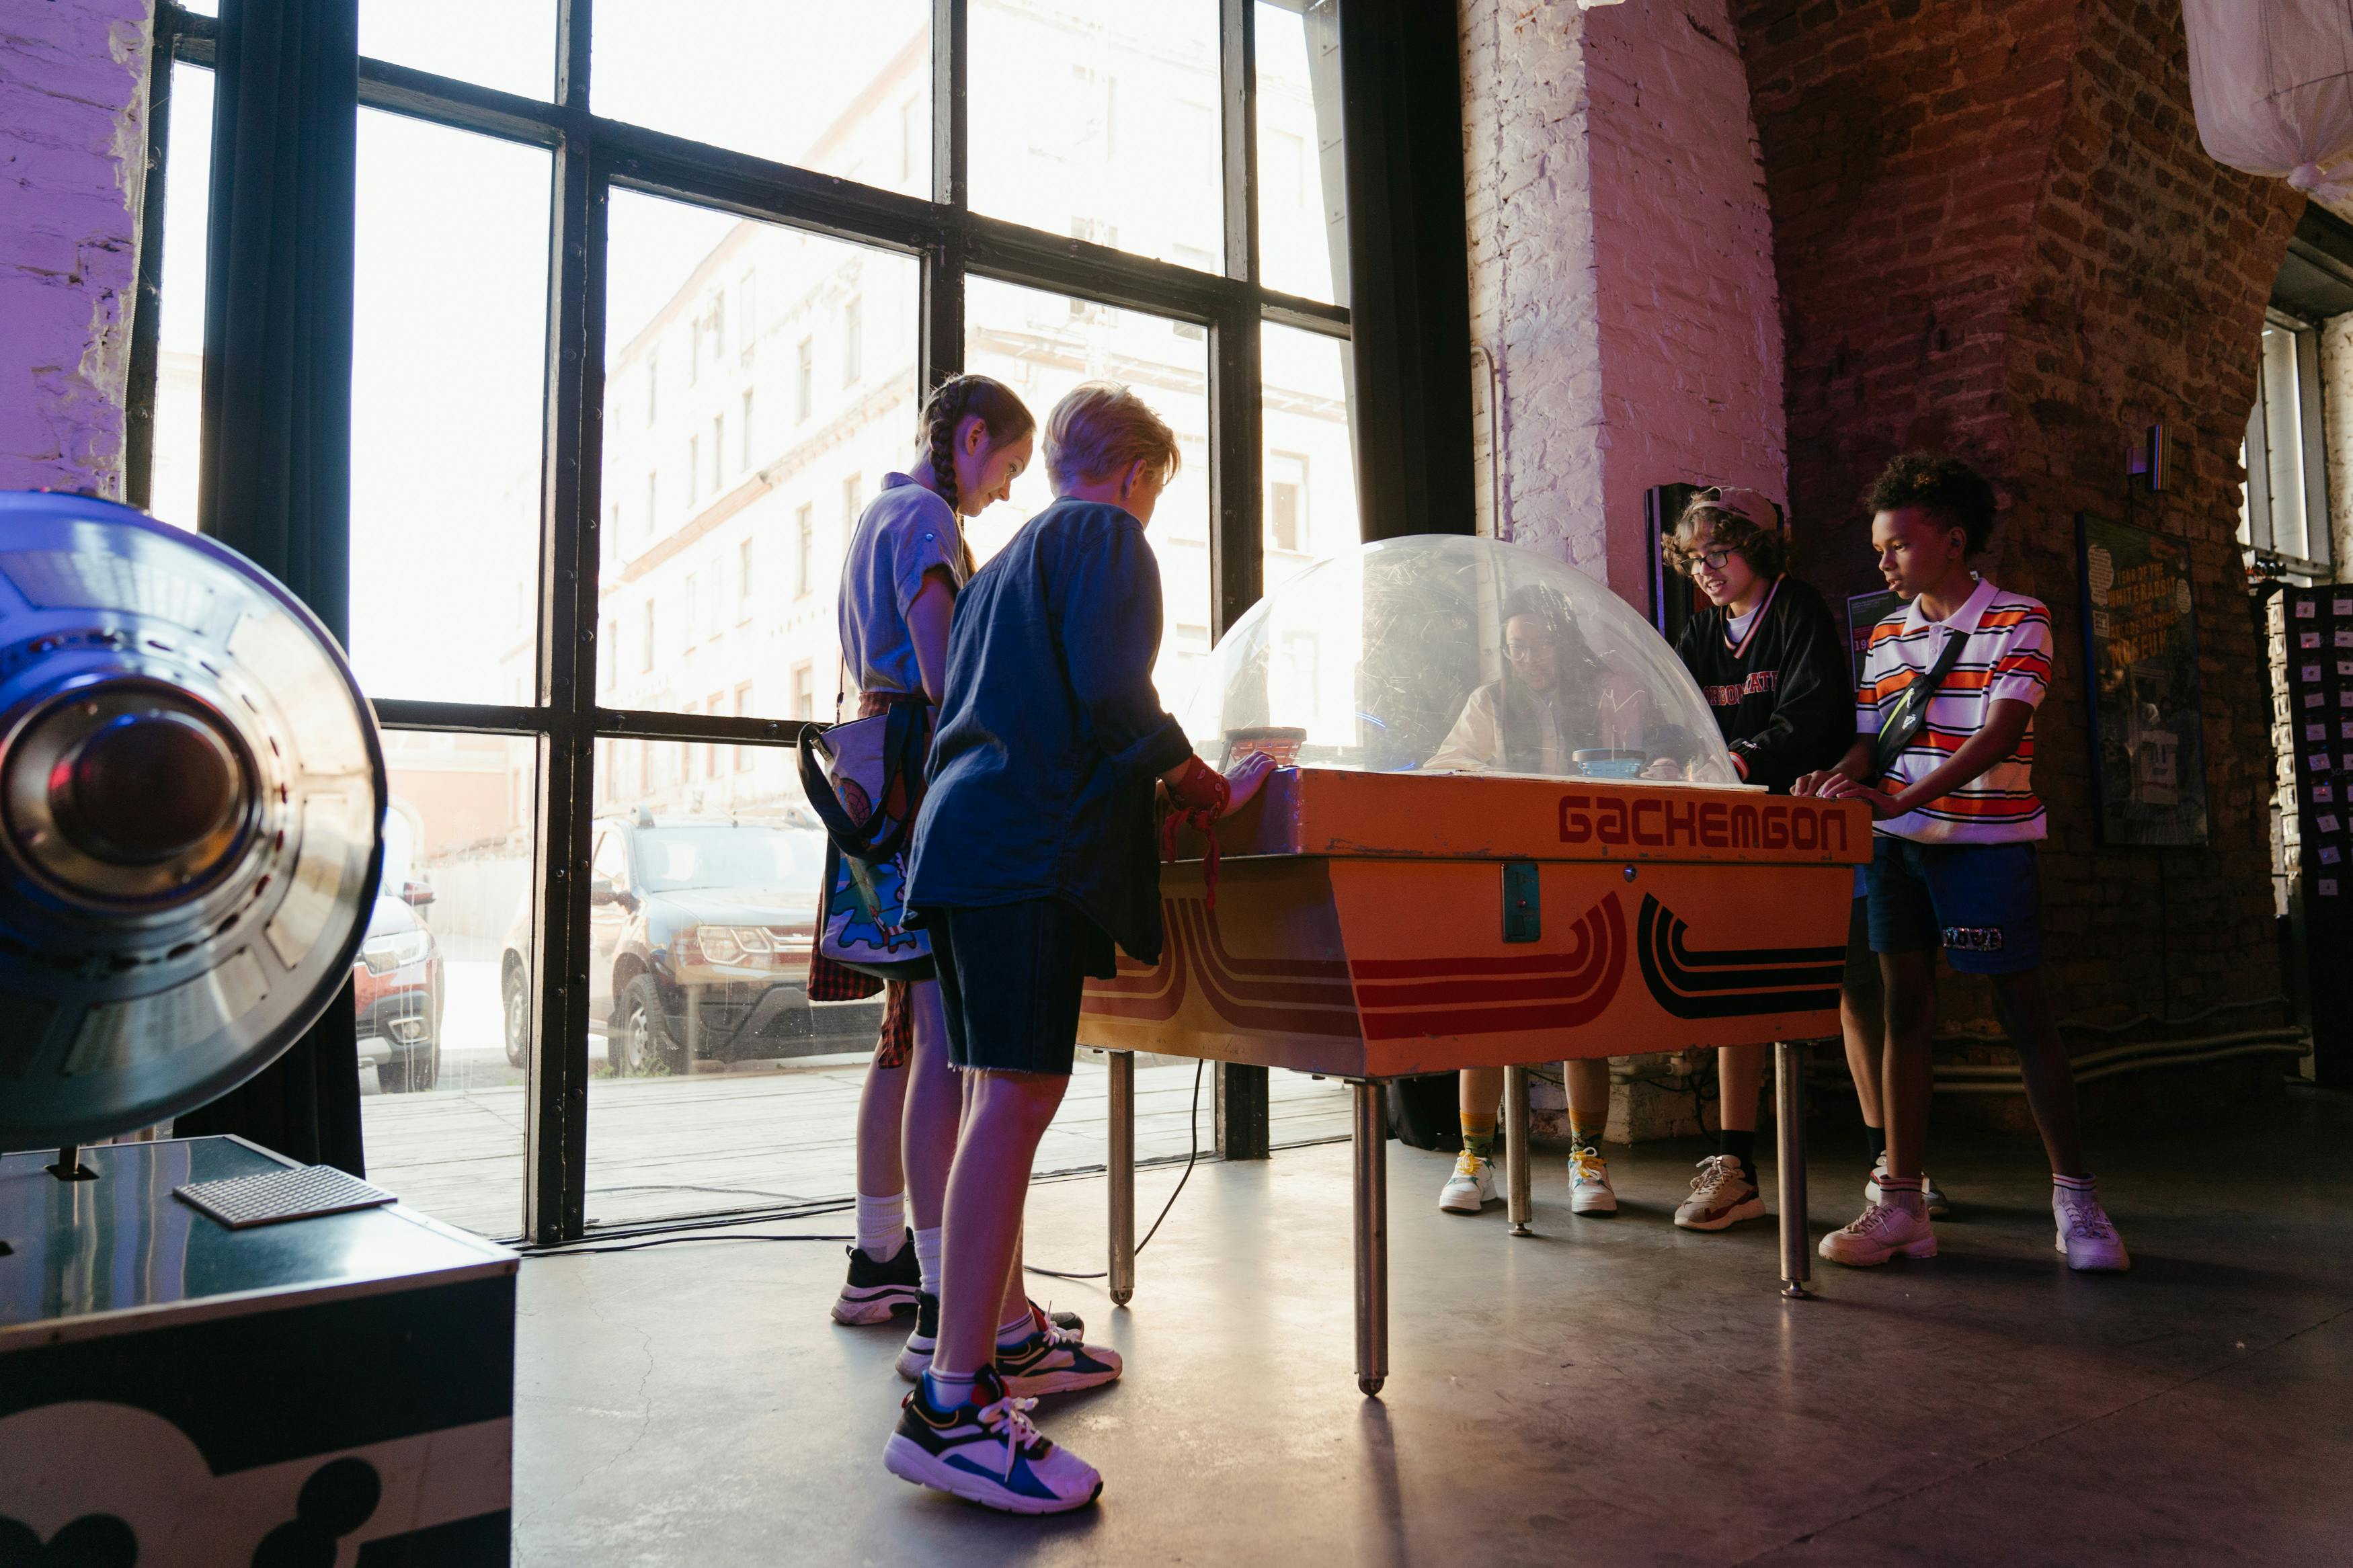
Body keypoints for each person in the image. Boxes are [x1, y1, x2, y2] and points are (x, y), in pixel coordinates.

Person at [883, 382, 1275, 1513]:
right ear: (1140, 472)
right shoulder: (1107, 533)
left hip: (959, 846)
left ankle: (999, 1335)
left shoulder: (1002, 559)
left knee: (981, 1094)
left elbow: (1011, 699)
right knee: (1014, 1097)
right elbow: (1117, 693)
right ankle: (951, 1404)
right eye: (1157, 486)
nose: (1151, 506)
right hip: (1023, 852)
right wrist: (1209, 782)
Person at [1795, 453, 2128, 1272]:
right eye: (1879, 546)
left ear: (1951, 539)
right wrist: (1838, 778)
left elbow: (2002, 731)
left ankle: (2076, 1201)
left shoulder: (2019, 617)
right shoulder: (1885, 631)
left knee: (2023, 1014)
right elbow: (1874, 739)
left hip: (1984, 842)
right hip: (1895, 845)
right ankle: (1901, 1200)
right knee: (1903, 1008)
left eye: (1898, 545)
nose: (1883, 561)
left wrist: (1907, 799)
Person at [824, 375, 1037, 1335]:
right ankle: (953, 1293)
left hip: (874, 778)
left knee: (902, 1038)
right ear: (972, 438)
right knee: (946, 1046)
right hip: (922, 778)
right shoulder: (925, 522)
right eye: (1007, 468)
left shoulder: (876, 513)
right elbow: (949, 678)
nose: (1004, 492)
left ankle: (880, 1260)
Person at [1661, 487, 1856, 1230]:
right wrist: (1665, 761)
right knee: (1735, 991)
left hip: (1799, 825)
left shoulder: (1796, 608)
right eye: (1694, 557)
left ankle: (1889, 1161)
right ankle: (1734, 1164)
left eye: (1720, 551)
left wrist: (1736, 760)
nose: (1706, 568)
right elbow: (1672, 719)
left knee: (1848, 997)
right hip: (1726, 828)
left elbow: (1811, 716)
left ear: (1757, 548)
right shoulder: (1697, 634)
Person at [1425, 589, 1630, 1217]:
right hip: (1508, 869)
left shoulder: (1602, 695)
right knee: (1487, 1011)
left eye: (1539, 644)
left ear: (1562, 642)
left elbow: (1633, 765)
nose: (1528, 657)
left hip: (1580, 866)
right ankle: (1477, 1157)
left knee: (1584, 1017)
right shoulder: (1491, 700)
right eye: (1516, 647)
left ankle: (1586, 1157)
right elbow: (1444, 767)